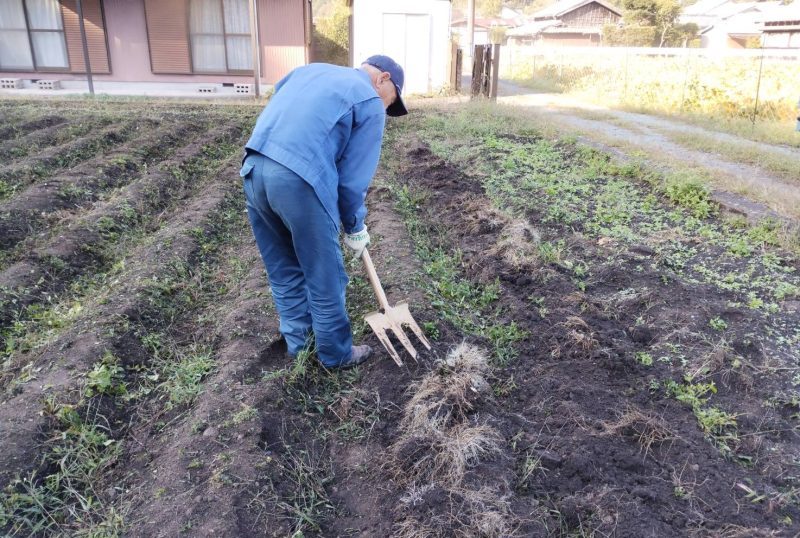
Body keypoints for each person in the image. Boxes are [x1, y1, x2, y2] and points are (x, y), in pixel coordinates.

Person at [239, 55, 407, 369]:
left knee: (284, 270)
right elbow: (352, 181)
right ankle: (335, 354)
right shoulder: (370, 100)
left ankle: (299, 345)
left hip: (254, 169)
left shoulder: (309, 70)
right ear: (383, 78)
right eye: (391, 100)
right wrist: (355, 225)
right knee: (324, 274)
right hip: (298, 181)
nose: (386, 108)